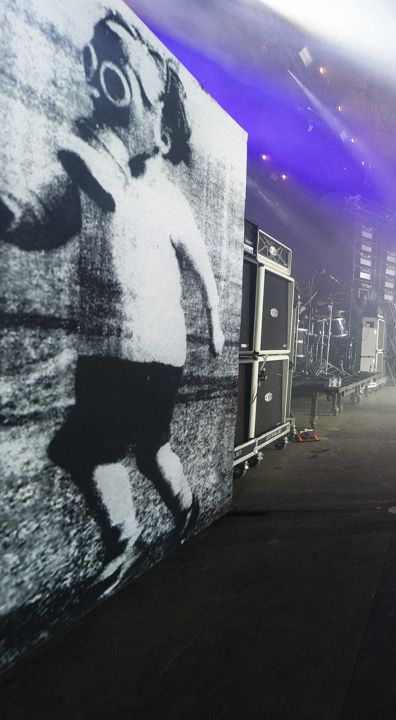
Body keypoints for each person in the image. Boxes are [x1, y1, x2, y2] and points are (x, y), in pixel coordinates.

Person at [2, 12, 222, 586]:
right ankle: (184, 512)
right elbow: (40, 219)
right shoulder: (88, 169)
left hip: (132, 349)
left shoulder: (161, 193)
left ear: (164, 132)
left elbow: (198, 260)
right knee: (144, 448)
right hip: (122, 345)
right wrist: (13, 213)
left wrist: (218, 323)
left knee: (102, 449)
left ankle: (129, 538)